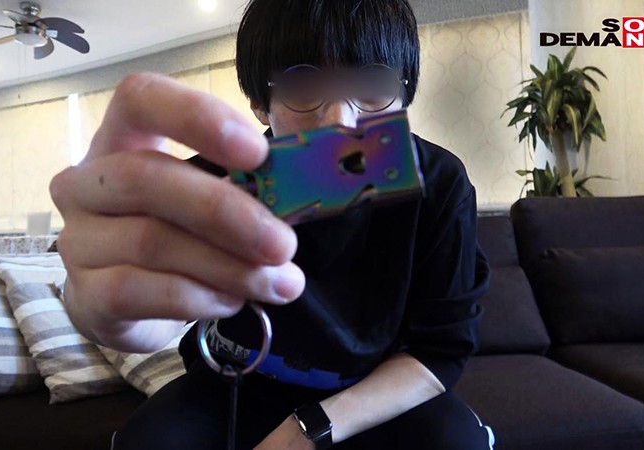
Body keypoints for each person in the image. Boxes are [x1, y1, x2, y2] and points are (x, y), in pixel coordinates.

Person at [49, 0, 492, 448]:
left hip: (375, 392)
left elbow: (442, 350)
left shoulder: (439, 183)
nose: (340, 121)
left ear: (405, 94)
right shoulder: (212, 187)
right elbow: (149, 319)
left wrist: (310, 429)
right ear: (261, 104)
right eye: (302, 84)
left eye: (372, 84)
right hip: (236, 381)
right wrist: (103, 308)